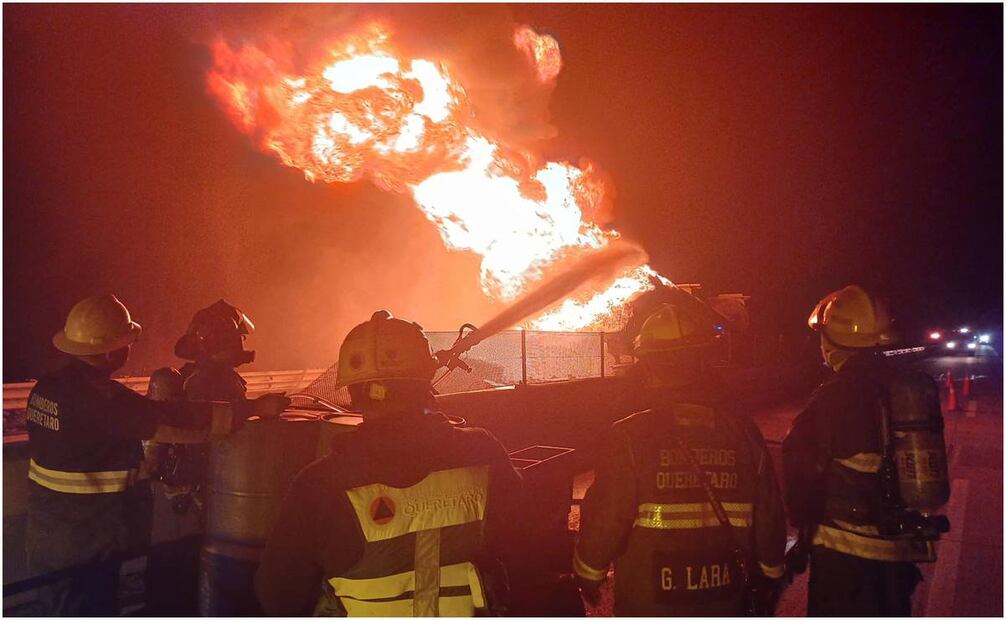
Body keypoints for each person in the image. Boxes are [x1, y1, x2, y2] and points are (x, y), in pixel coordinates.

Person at [25, 294, 288, 616]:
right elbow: (170, 421)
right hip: (85, 539)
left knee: (54, 607)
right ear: (109, 349)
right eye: (127, 341)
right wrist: (251, 408)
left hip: (47, 531)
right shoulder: (102, 398)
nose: (129, 348)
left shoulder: (48, 387)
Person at [254, 310, 523, 616]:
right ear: (426, 381)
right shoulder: (481, 452)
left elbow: (277, 595)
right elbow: (524, 547)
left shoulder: (319, 484)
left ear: (353, 393)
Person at [574, 302, 786, 616]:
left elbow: (607, 517)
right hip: (725, 602)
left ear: (648, 366)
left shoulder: (630, 437)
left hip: (650, 605)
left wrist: (589, 573)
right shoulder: (743, 434)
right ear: (704, 362)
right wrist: (770, 575)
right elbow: (768, 514)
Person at [783, 285, 940, 615]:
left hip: (845, 562)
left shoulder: (836, 397)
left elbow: (799, 465)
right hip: (898, 557)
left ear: (833, 339)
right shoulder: (904, 387)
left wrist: (800, 523)